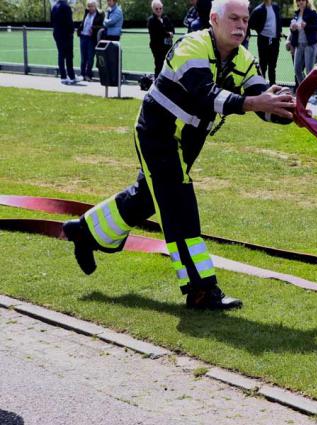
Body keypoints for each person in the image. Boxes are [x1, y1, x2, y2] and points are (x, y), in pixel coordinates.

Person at [61, 0, 297, 310]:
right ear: (214, 19)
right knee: (179, 206)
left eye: (245, 19)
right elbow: (206, 94)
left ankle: (84, 231)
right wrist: (258, 103)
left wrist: (289, 109)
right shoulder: (192, 45)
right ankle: (201, 290)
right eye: (233, 18)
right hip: (157, 134)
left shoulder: (244, 59)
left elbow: (261, 96)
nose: (241, 25)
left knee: (147, 198)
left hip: (187, 141)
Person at [290, 0, 317, 88]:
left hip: (310, 45)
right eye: (298, 0)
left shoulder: (312, 13)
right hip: (299, 45)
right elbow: (293, 31)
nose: (301, 2)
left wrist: (307, 26)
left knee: (309, 71)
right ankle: (305, 91)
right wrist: (293, 29)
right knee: (297, 70)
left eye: (303, 0)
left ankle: (311, 94)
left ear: (306, 2)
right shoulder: (296, 14)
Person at [249, 0, 285, 85]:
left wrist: (278, 32)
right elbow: (251, 24)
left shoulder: (275, 7)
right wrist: (260, 31)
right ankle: (262, 86)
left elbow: (278, 21)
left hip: (275, 41)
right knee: (263, 65)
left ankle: (273, 86)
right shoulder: (258, 10)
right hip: (263, 40)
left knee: (272, 66)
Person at [51, 0, 76, 85]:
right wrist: (71, 31)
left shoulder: (54, 7)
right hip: (66, 34)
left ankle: (63, 76)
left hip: (57, 33)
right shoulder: (66, 7)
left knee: (61, 54)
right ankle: (71, 76)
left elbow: (52, 21)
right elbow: (69, 21)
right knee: (69, 55)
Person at [147, 0, 175, 77]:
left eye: (160, 8)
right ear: (153, 9)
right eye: (156, 9)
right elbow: (158, 33)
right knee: (159, 65)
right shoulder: (151, 20)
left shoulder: (165, 18)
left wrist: (169, 33)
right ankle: (157, 84)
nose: (159, 10)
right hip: (157, 48)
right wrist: (168, 33)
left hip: (168, 46)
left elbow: (172, 29)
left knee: (169, 66)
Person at [77, 0, 103, 82]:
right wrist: (79, 30)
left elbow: (102, 26)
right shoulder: (86, 13)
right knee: (83, 58)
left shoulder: (100, 14)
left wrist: (94, 29)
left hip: (92, 39)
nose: (90, 8)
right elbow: (83, 23)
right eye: (89, 6)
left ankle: (88, 75)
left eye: (92, 6)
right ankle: (82, 74)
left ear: (95, 6)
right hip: (83, 37)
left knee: (90, 58)